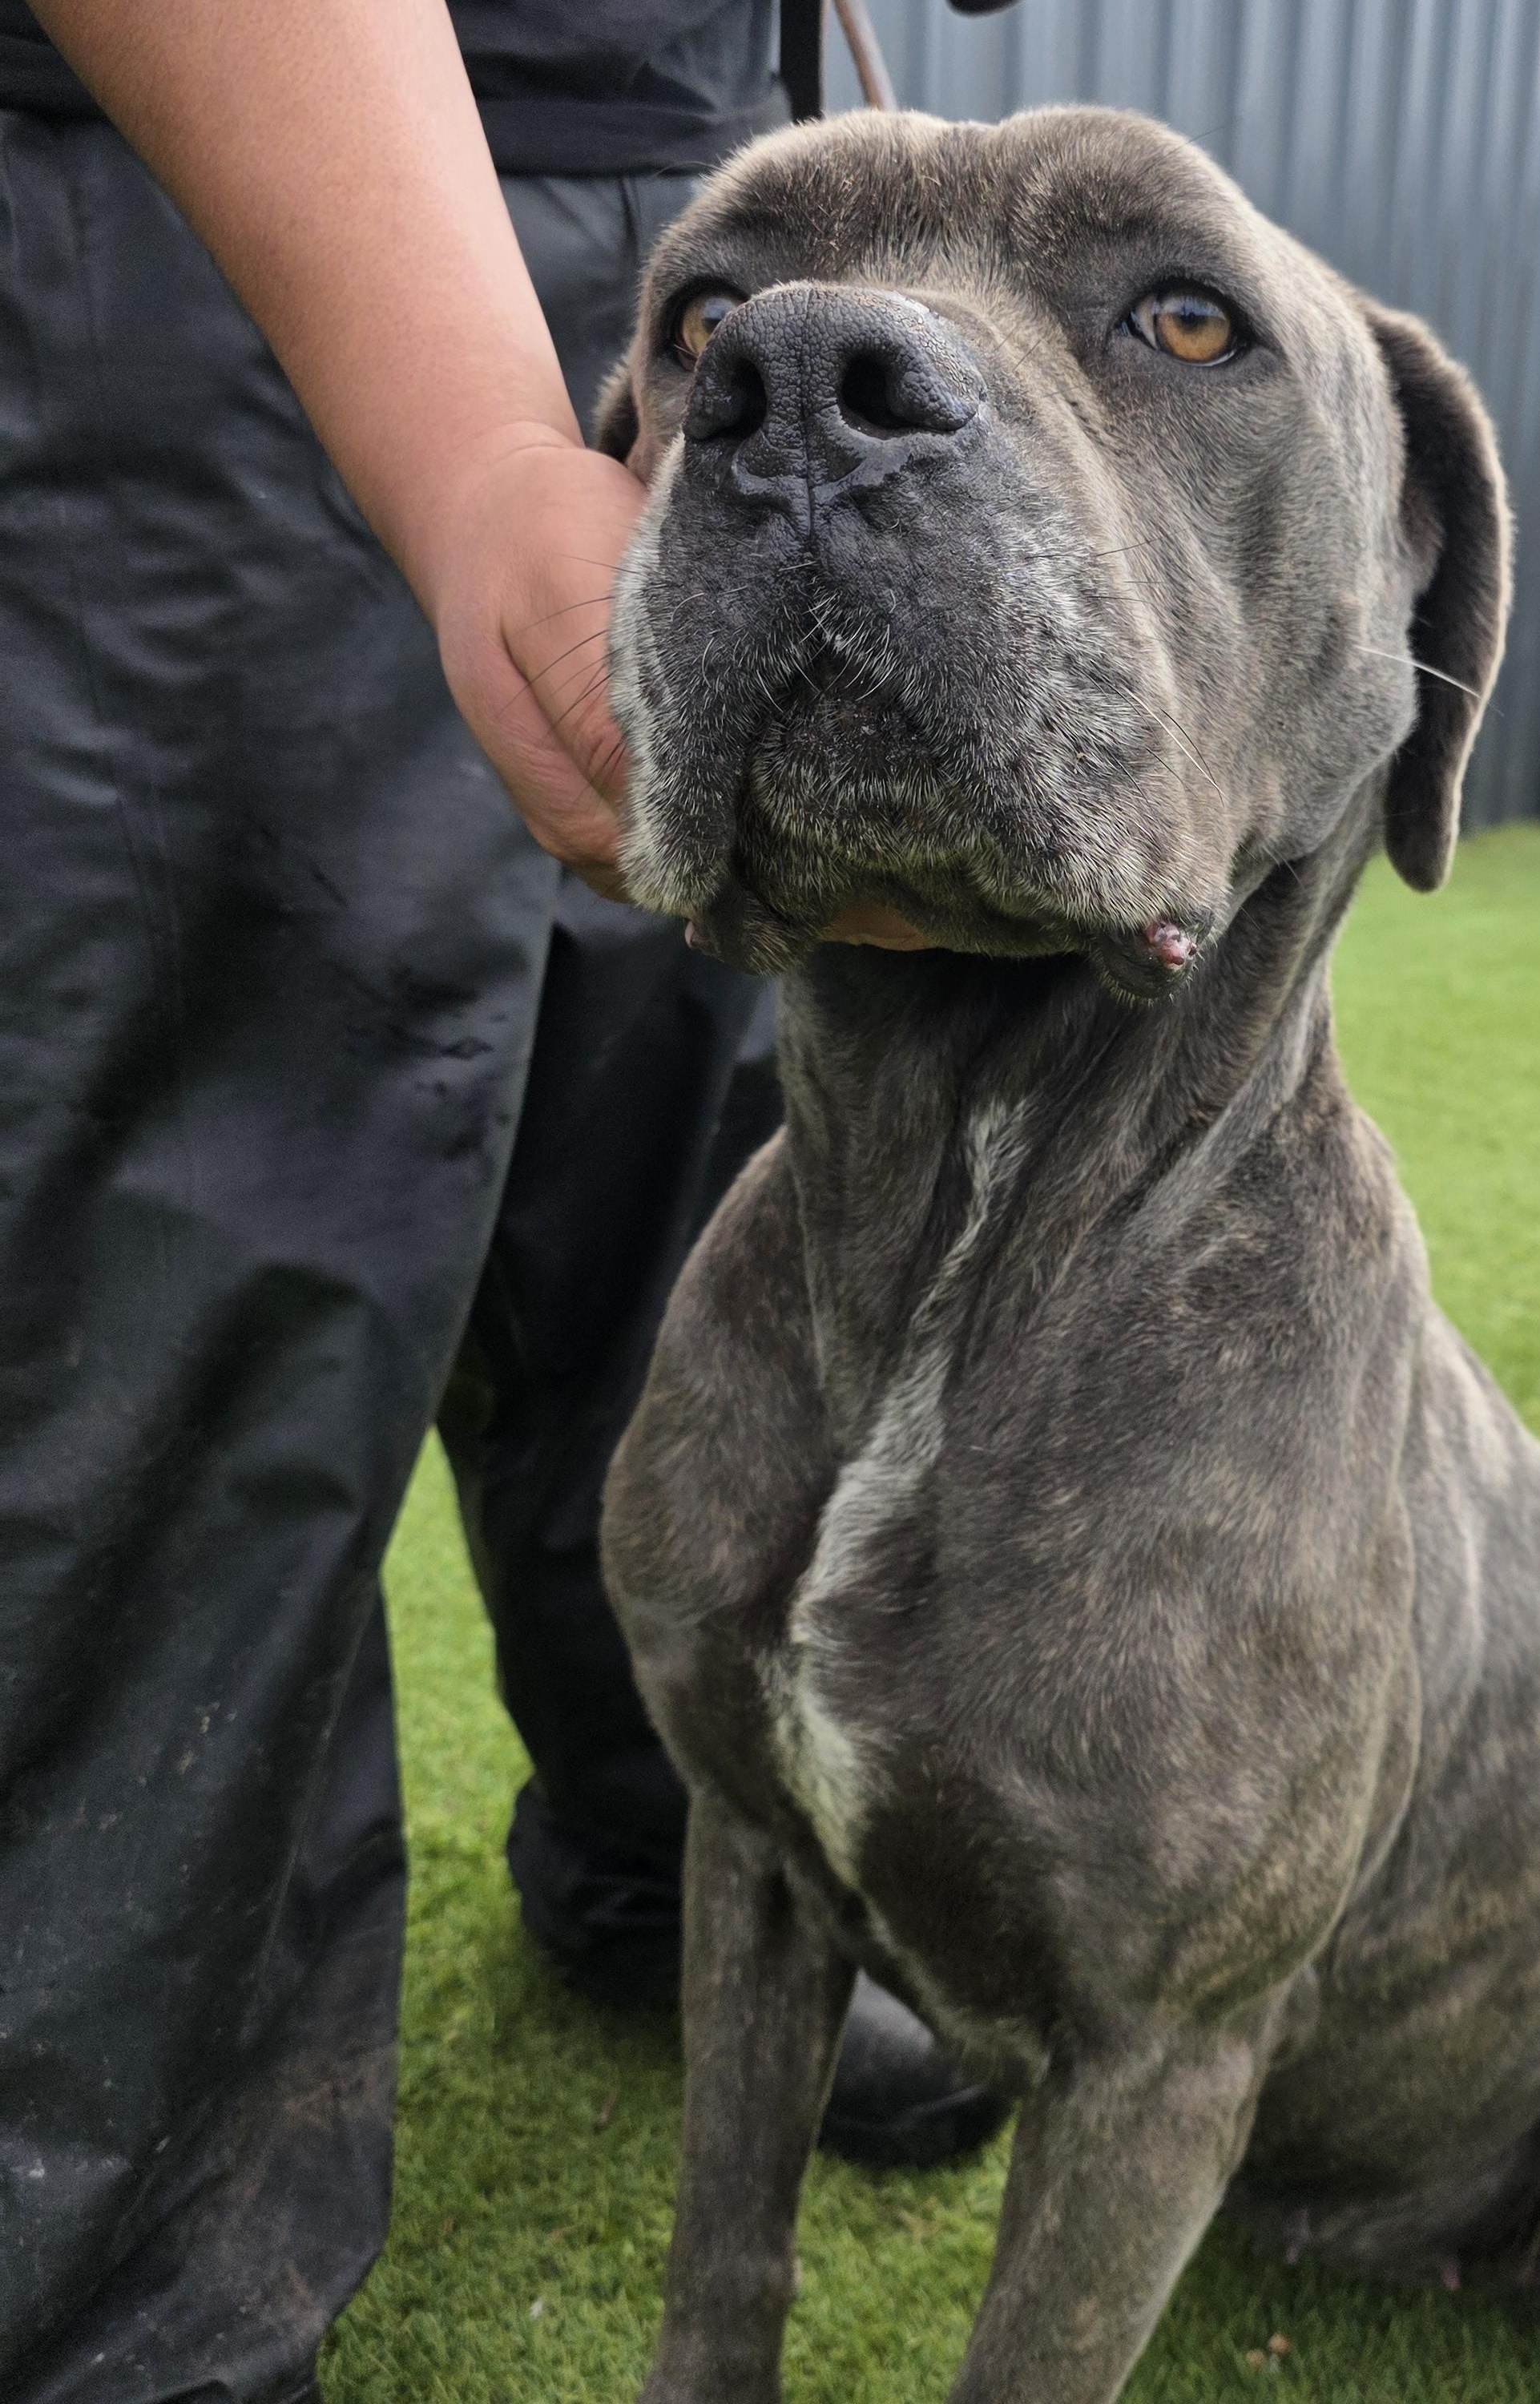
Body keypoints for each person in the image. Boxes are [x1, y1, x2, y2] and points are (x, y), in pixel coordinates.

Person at [0, 5, 1014, 2397]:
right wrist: (470, 456)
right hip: (201, 189)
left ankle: (671, 1859)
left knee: (695, 1190)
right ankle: (116, 2252)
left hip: (692, 191)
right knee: (204, 1244)